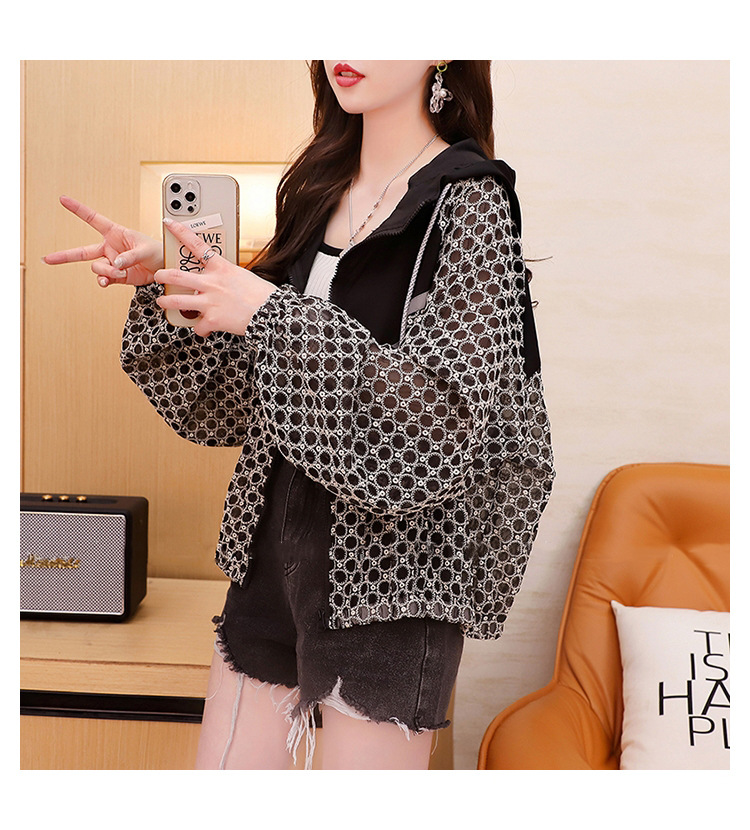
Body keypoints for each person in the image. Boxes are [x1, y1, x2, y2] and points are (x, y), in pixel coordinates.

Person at [43, 60, 555, 770]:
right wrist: (175, 286)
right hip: (269, 557)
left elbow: (442, 426)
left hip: (393, 580)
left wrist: (269, 312)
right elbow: (234, 408)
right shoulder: (317, 189)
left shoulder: (471, 202)